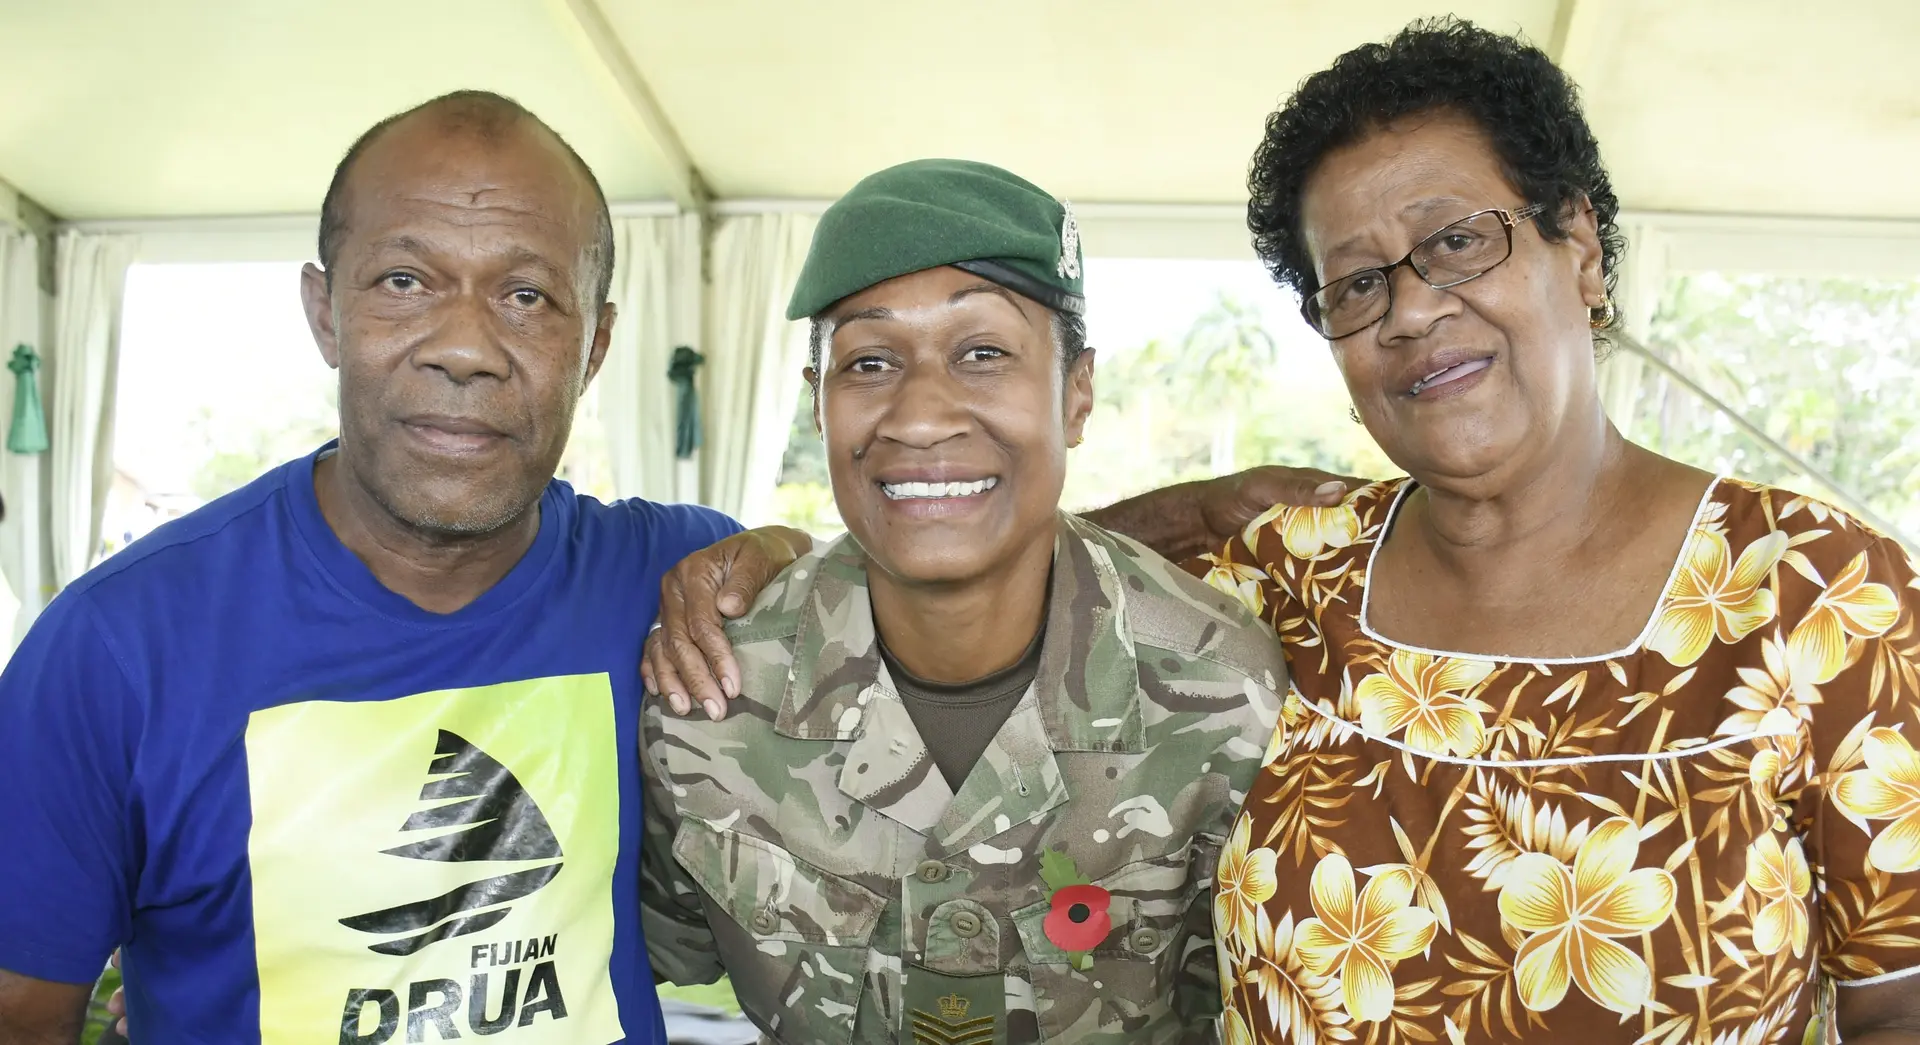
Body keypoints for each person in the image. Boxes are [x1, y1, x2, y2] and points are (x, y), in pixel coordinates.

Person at [642, 19, 1920, 1045]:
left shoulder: (1821, 598)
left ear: (1579, 243)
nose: (1413, 310)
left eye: (1458, 243)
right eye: (1357, 280)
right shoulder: (1297, 576)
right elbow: (1004, 551)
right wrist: (772, 559)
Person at [0, 90, 738, 1044]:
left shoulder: (673, 577)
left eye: (526, 296)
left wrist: (771, 548)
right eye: (403, 281)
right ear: (324, 314)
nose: (466, 348)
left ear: (593, 344)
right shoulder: (117, 646)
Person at [638, 158, 1289, 1044]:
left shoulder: (1227, 697)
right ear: (817, 408)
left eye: (982, 353)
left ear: (1077, 391)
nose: (919, 415)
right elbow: (635, 963)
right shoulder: (711, 691)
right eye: (868, 362)